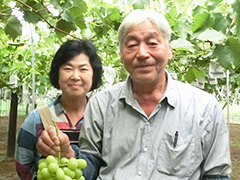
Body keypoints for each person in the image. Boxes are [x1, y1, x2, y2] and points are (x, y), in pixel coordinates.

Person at [37, 9, 232, 180]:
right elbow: (90, 166)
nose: (142, 53)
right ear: (122, 56)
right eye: (131, 45)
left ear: (169, 50)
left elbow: (216, 175)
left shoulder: (205, 107)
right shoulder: (100, 105)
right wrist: (69, 154)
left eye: (152, 43)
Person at [15, 39, 102, 180]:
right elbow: (23, 166)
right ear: (57, 73)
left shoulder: (102, 118)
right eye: (68, 68)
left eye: (83, 69)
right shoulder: (37, 119)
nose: (75, 76)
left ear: (94, 74)